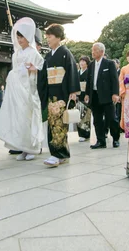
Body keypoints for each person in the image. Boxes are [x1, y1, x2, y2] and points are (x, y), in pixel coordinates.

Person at [0, 18, 44, 161]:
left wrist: (32, 70)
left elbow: (41, 71)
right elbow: (15, 71)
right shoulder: (16, 55)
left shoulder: (34, 54)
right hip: (17, 92)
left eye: (22, 36)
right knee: (19, 120)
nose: (19, 40)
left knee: (29, 118)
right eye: (18, 37)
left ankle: (32, 148)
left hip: (29, 92)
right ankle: (23, 147)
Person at [38, 24, 80, 167]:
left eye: (49, 37)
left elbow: (71, 72)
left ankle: (60, 154)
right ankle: (56, 154)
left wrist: (73, 92)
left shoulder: (65, 53)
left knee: (60, 125)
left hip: (61, 94)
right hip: (51, 93)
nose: (47, 40)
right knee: (52, 124)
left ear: (58, 37)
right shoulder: (49, 55)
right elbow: (43, 74)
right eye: (47, 37)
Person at [85, 43, 120, 149]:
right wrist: (87, 93)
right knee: (97, 119)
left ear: (101, 52)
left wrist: (115, 93)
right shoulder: (91, 65)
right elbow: (89, 81)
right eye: (92, 50)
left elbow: (115, 80)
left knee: (111, 118)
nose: (92, 52)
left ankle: (115, 138)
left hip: (107, 95)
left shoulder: (109, 64)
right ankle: (101, 141)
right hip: (95, 95)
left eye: (95, 50)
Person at [77, 56, 91, 142]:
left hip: (86, 95)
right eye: (80, 61)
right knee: (79, 115)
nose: (82, 63)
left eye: (84, 61)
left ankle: (86, 134)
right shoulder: (78, 72)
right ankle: (81, 134)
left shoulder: (89, 72)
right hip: (79, 95)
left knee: (86, 115)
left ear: (87, 63)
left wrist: (88, 94)